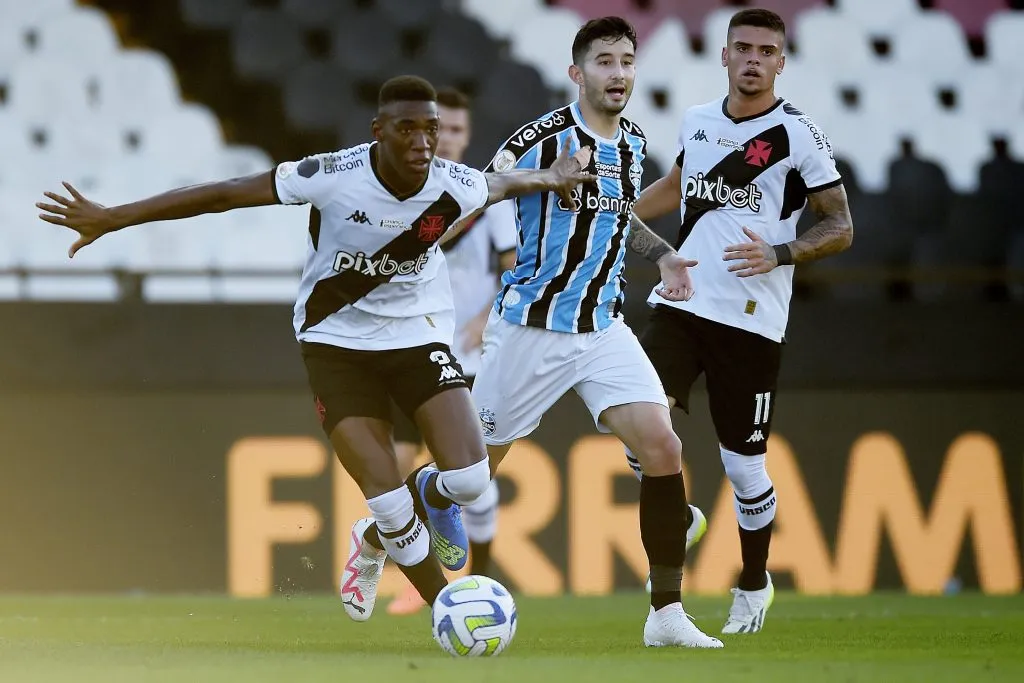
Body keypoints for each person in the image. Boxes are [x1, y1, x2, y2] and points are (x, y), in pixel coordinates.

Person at [36, 75, 595, 623]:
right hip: (336, 343)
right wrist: (114, 218)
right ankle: (443, 608)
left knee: (472, 481)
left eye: (430, 130)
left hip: (417, 335)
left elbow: (497, 186)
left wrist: (552, 175)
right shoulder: (330, 175)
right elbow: (224, 195)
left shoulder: (454, 183)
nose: (423, 143)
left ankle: (411, 505)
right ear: (378, 131)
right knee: (388, 498)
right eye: (407, 131)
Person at [452, 17, 721, 649]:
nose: (619, 73)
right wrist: (548, 180)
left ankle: (666, 616)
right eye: (605, 62)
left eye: (627, 61)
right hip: (530, 329)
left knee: (663, 447)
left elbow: (618, 219)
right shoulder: (544, 136)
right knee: (470, 477)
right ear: (578, 73)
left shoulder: (630, 141)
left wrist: (663, 255)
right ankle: (380, 533)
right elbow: (481, 190)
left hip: (602, 327)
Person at [626, 8, 854, 634]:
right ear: (723, 55)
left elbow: (841, 225)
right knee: (637, 430)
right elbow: (677, 186)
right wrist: (612, 211)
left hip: (751, 321)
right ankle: (679, 517)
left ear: (782, 62)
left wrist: (779, 253)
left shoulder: (798, 135)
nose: (754, 59)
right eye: (743, 48)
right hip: (681, 303)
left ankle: (754, 582)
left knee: (744, 468)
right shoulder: (697, 122)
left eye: (767, 51)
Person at [387, 87, 518, 616]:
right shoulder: (396, 195)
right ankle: (420, 579)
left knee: (465, 475)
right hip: (405, 351)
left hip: (468, 361)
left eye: (460, 131)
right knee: (396, 472)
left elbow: (516, 273)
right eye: (443, 129)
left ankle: (479, 584)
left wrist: (488, 317)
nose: (449, 140)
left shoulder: (489, 205)